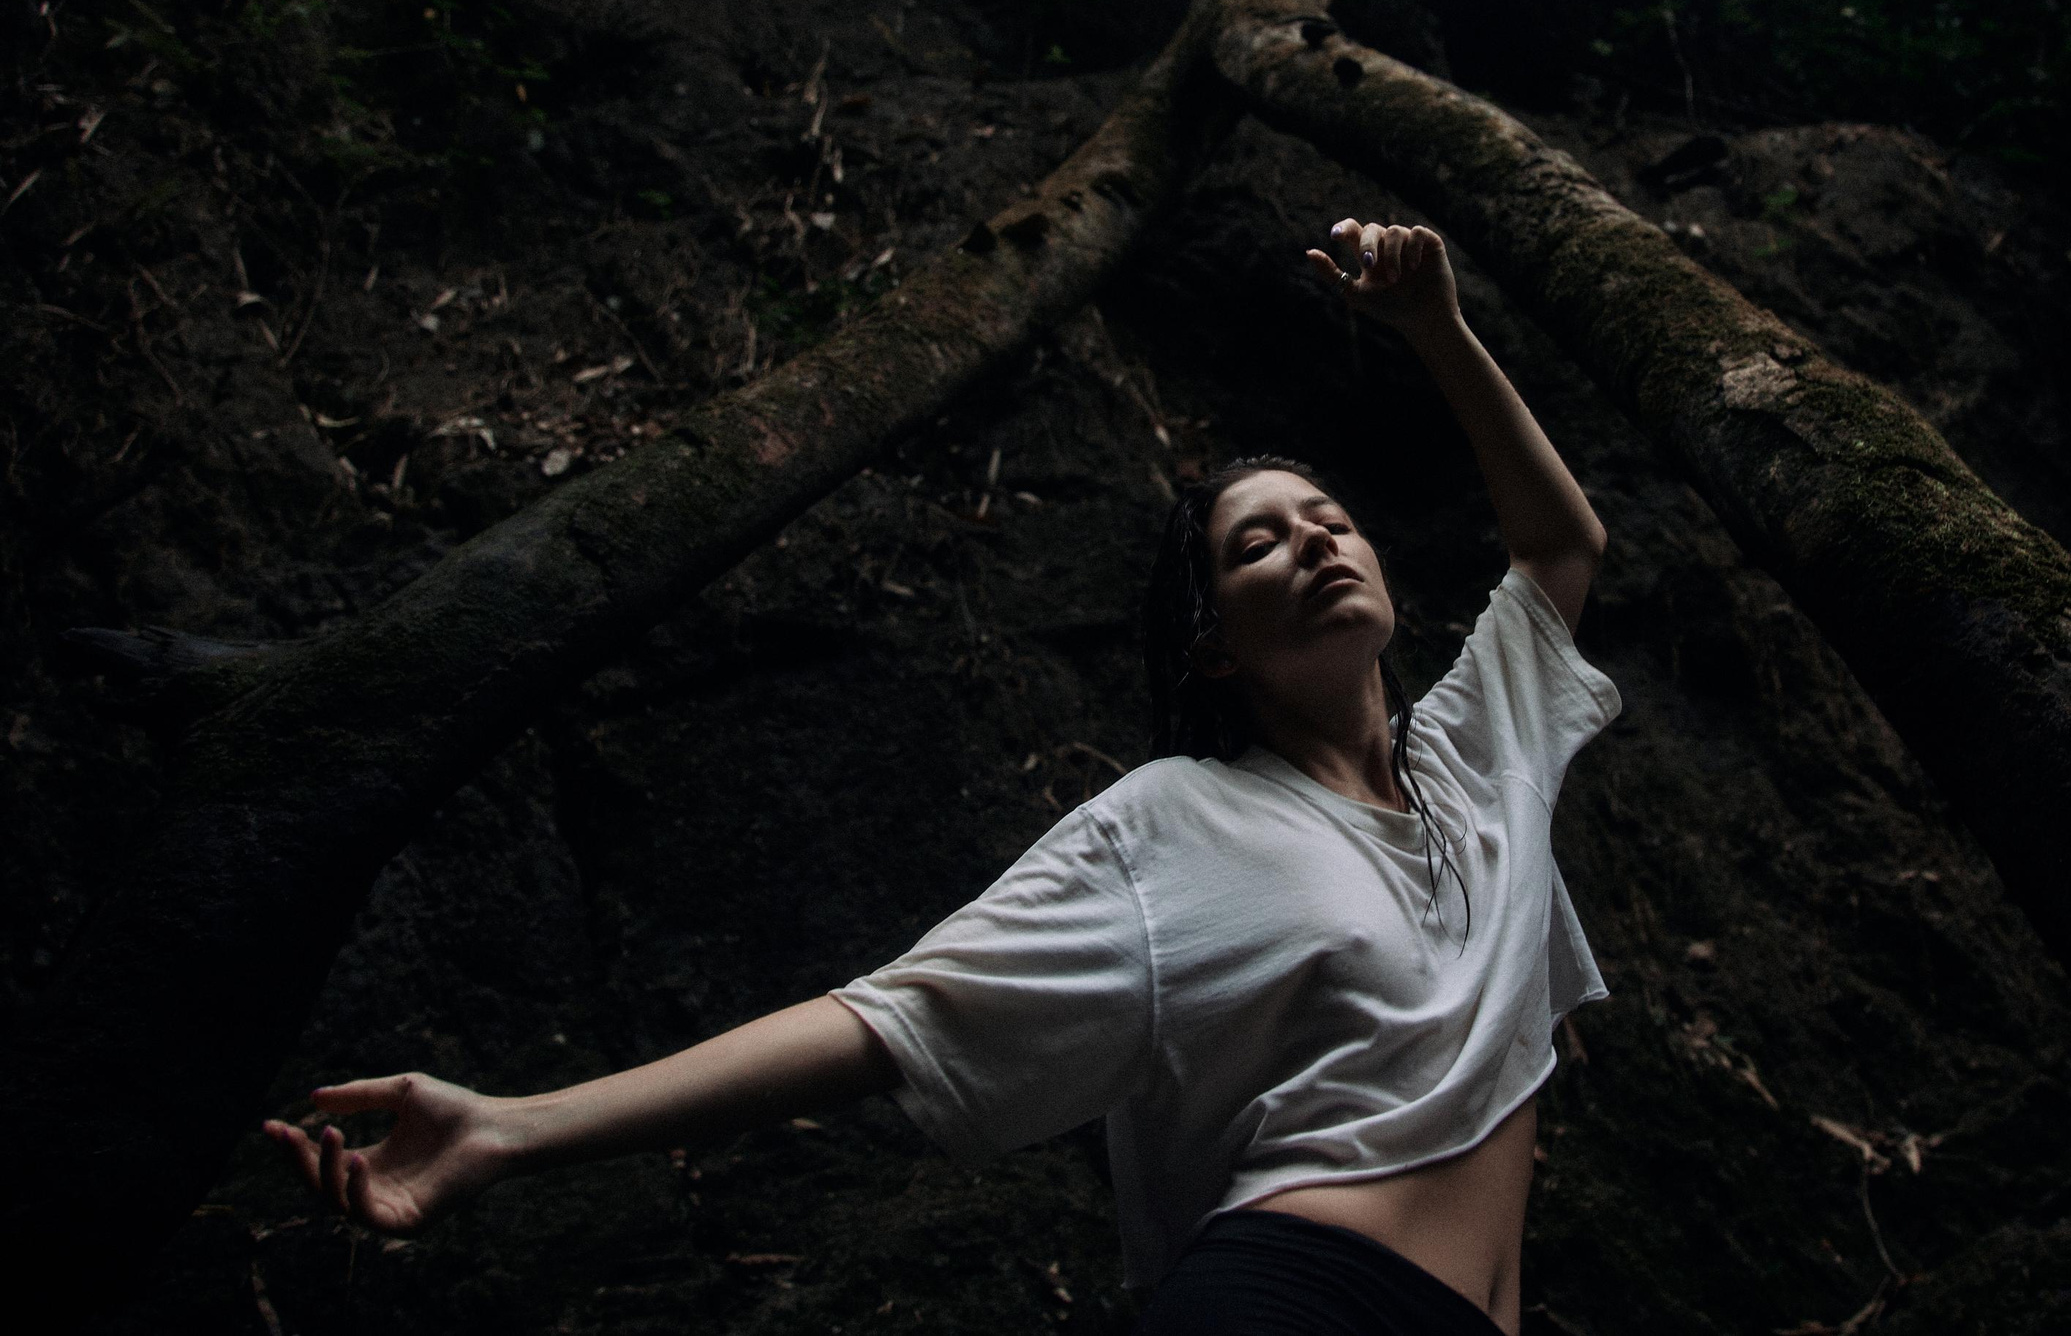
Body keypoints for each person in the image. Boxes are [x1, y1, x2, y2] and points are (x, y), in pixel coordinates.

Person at [267, 216, 1618, 1335]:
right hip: (1297, 1295)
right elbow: (889, 1018)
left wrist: (1438, 324)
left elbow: (1560, 547)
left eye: (1330, 522)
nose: (1315, 544)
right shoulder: (1180, 822)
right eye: (1256, 544)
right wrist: (512, 1127)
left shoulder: (1476, 751)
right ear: (1208, 649)